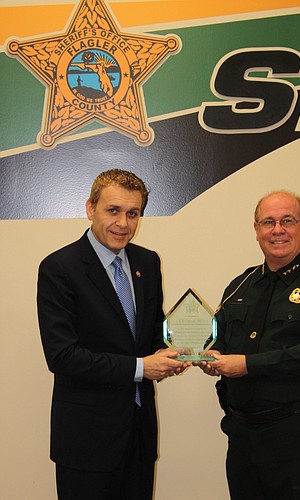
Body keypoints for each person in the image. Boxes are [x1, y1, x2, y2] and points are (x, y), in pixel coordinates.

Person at [37, 169, 188, 500]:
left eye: (133, 213)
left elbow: (150, 336)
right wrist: (141, 368)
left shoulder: (146, 263)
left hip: (138, 436)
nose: (123, 223)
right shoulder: (59, 268)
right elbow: (62, 356)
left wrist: (183, 350)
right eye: (113, 210)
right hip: (86, 442)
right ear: (90, 208)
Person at [197, 191, 300, 500]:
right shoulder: (240, 285)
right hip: (244, 438)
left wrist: (246, 365)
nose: (277, 230)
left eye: (287, 221)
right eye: (268, 222)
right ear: (256, 229)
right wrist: (210, 354)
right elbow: (218, 334)